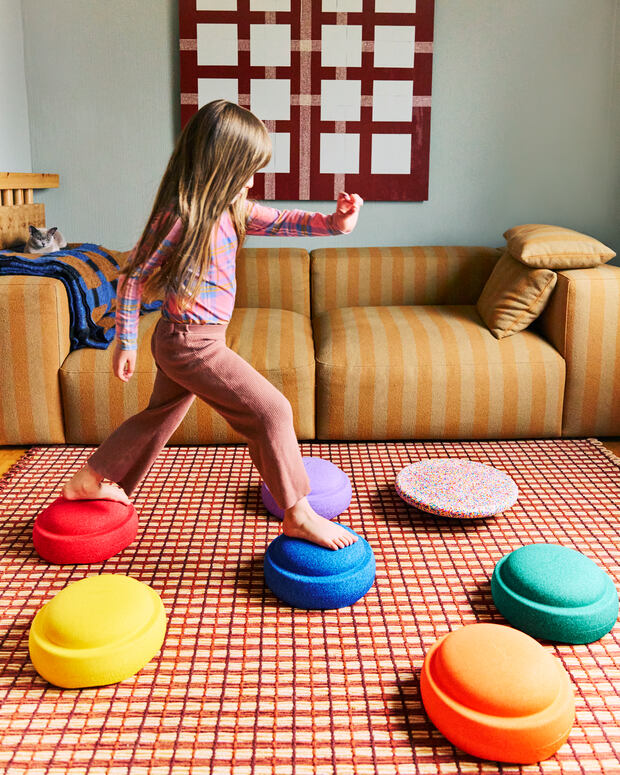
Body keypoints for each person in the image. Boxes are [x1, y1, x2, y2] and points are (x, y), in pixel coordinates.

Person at [61, 99, 364, 551]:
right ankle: (299, 513)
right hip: (189, 344)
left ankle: (90, 478)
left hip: (191, 340)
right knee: (273, 411)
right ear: (220, 165)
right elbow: (133, 278)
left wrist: (335, 223)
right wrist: (125, 340)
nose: (251, 181)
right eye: (247, 170)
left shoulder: (233, 208)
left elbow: (283, 221)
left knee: (159, 417)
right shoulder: (181, 218)